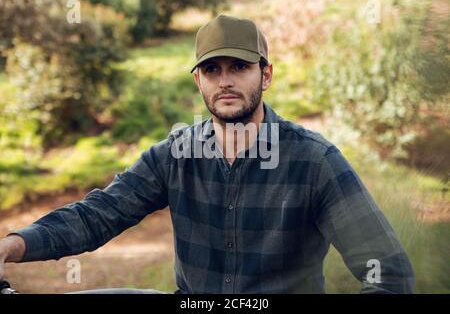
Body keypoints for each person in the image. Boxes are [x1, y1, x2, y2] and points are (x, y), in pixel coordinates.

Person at [0, 15, 414, 294]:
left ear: (265, 75)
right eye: (213, 70)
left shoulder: (314, 161)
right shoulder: (175, 154)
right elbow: (99, 214)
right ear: (199, 80)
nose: (225, 82)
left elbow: (388, 272)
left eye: (239, 67)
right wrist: (13, 245)